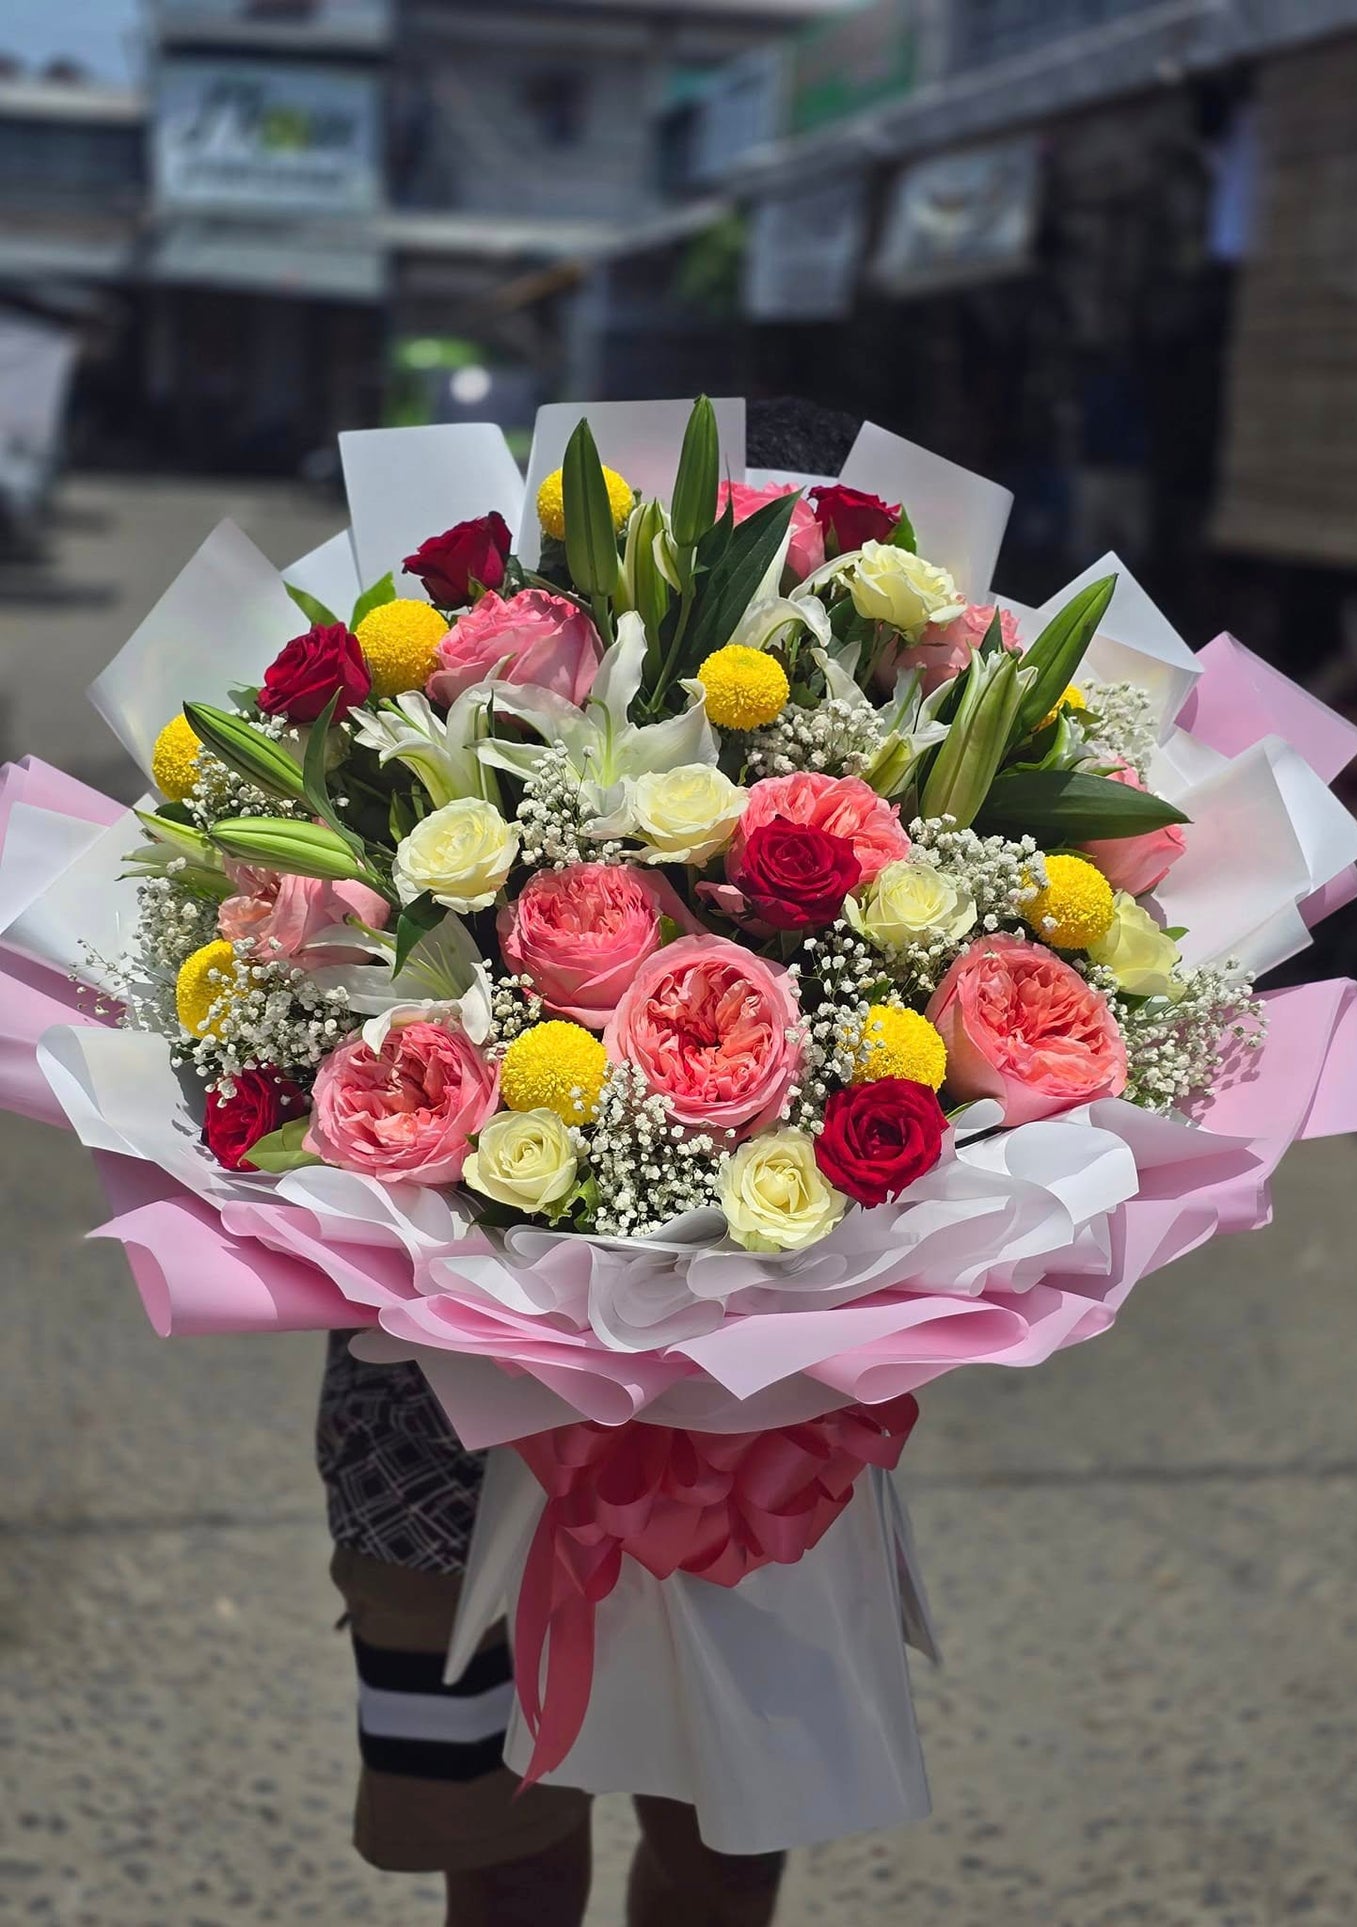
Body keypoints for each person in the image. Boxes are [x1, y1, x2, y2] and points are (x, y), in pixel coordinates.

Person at [318, 397, 861, 1927]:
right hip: (440, 1435)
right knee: (490, 1835)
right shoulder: (415, 763)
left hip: (752, 1425)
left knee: (724, 1812)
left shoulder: (798, 758)